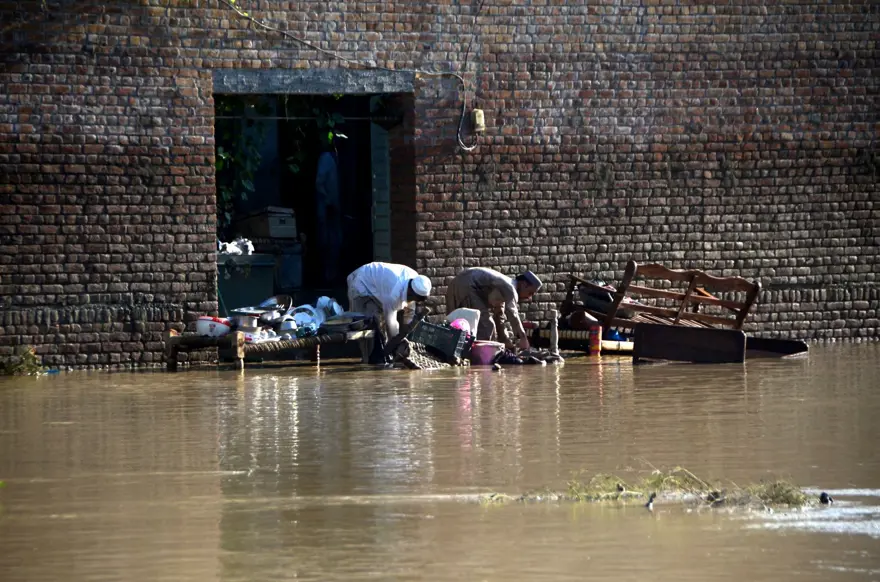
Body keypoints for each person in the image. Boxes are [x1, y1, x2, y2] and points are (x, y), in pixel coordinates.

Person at [347, 262, 432, 363]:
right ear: (410, 292)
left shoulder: (417, 282)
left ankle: (383, 355)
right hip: (361, 284)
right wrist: (396, 343)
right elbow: (391, 322)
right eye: (415, 299)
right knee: (368, 323)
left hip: (378, 286)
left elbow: (409, 313)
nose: (416, 302)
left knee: (381, 325)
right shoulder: (393, 293)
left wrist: (406, 336)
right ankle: (368, 361)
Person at [445, 267, 542, 350]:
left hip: (461, 283)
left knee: (457, 323)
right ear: (524, 284)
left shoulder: (503, 290)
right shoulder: (510, 289)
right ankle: (482, 358)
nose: (529, 298)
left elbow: (499, 317)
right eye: (530, 293)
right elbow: (513, 315)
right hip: (466, 285)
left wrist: (506, 342)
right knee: (487, 326)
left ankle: (453, 350)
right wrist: (523, 338)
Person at [315, 136, 343, 286]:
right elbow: (319, 182)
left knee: (335, 241)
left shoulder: (335, 158)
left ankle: (332, 275)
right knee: (328, 242)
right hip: (327, 208)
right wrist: (328, 201)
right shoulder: (326, 158)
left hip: (333, 207)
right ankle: (326, 277)